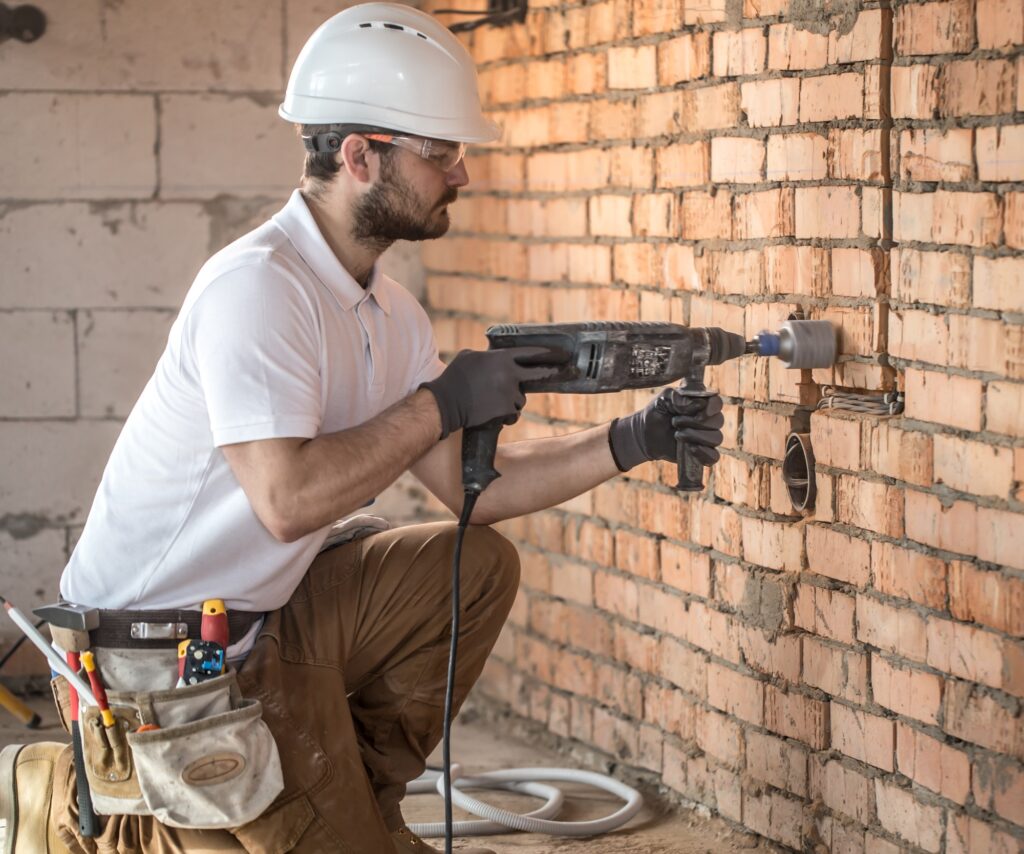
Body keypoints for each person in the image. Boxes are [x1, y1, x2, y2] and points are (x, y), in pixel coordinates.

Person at [0, 4, 723, 853]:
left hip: (264, 619)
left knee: (473, 566)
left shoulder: (391, 311)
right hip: (149, 656)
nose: (461, 175)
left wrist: (630, 440)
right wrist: (443, 403)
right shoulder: (258, 290)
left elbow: (469, 496)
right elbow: (288, 500)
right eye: (440, 154)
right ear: (359, 156)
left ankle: (357, 797)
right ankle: (79, 812)